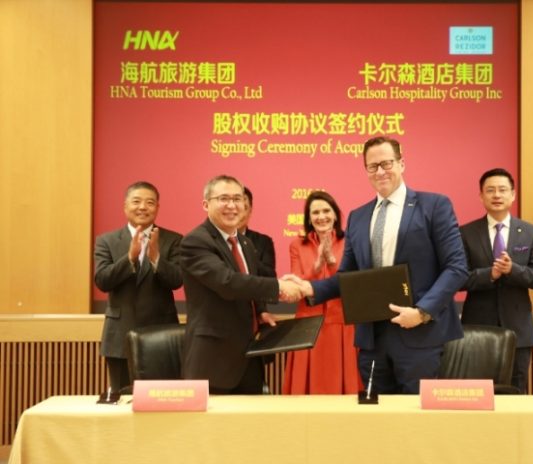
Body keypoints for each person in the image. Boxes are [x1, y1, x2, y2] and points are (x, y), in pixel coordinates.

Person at [289, 136, 468, 394]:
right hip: (372, 340)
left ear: (401, 163)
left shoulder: (434, 206)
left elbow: (456, 267)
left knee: (415, 414)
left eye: (387, 163)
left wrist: (422, 312)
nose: (380, 171)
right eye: (373, 166)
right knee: (375, 413)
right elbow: (348, 276)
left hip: (419, 335)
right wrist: (310, 288)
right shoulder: (358, 217)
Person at [179, 175, 302, 394]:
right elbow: (227, 282)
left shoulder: (245, 243)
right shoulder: (195, 241)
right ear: (206, 204)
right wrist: (279, 287)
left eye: (237, 199)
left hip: (249, 357)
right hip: (213, 360)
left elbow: (248, 282)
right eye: (224, 199)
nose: (232, 205)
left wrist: (260, 310)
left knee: (252, 416)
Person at [459, 168, 533, 393]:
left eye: (502, 190)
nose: (497, 195)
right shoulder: (466, 233)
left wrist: (512, 270)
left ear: (513, 194)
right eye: (490, 190)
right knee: (477, 394)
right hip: (477, 329)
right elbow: (459, 278)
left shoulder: (530, 232)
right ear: (481, 196)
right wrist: (490, 274)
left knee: (515, 393)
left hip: (518, 330)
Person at [94, 181, 183, 392]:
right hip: (119, 336)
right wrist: (129, 259)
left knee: (162, 399)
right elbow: (102, 280)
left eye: (149, 203)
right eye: (136, 201)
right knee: (123, 398)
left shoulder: (173, 240)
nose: (143, 207)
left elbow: (178, 280)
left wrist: (157, 259)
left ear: (157, 208)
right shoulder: (106, 241)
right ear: (125, 206)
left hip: (161, 336)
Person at [283, 190, 362, 394]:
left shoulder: (350, 242)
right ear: (309, 219)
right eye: (315, 212)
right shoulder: (297, 245)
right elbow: (297, 286)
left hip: (342, 322)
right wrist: (317, 265)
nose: (321, 216)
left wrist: (332, 261)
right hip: (307, 323)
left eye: (326, 211)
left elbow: (350, 282)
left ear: (335, 215)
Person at [239, 186, 277, 278]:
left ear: (250, 211)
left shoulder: (263, 242)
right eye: (236, 207)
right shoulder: (214, 241)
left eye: (245, 207)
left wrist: (247, 256)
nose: (239, 213)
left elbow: (270, 276)